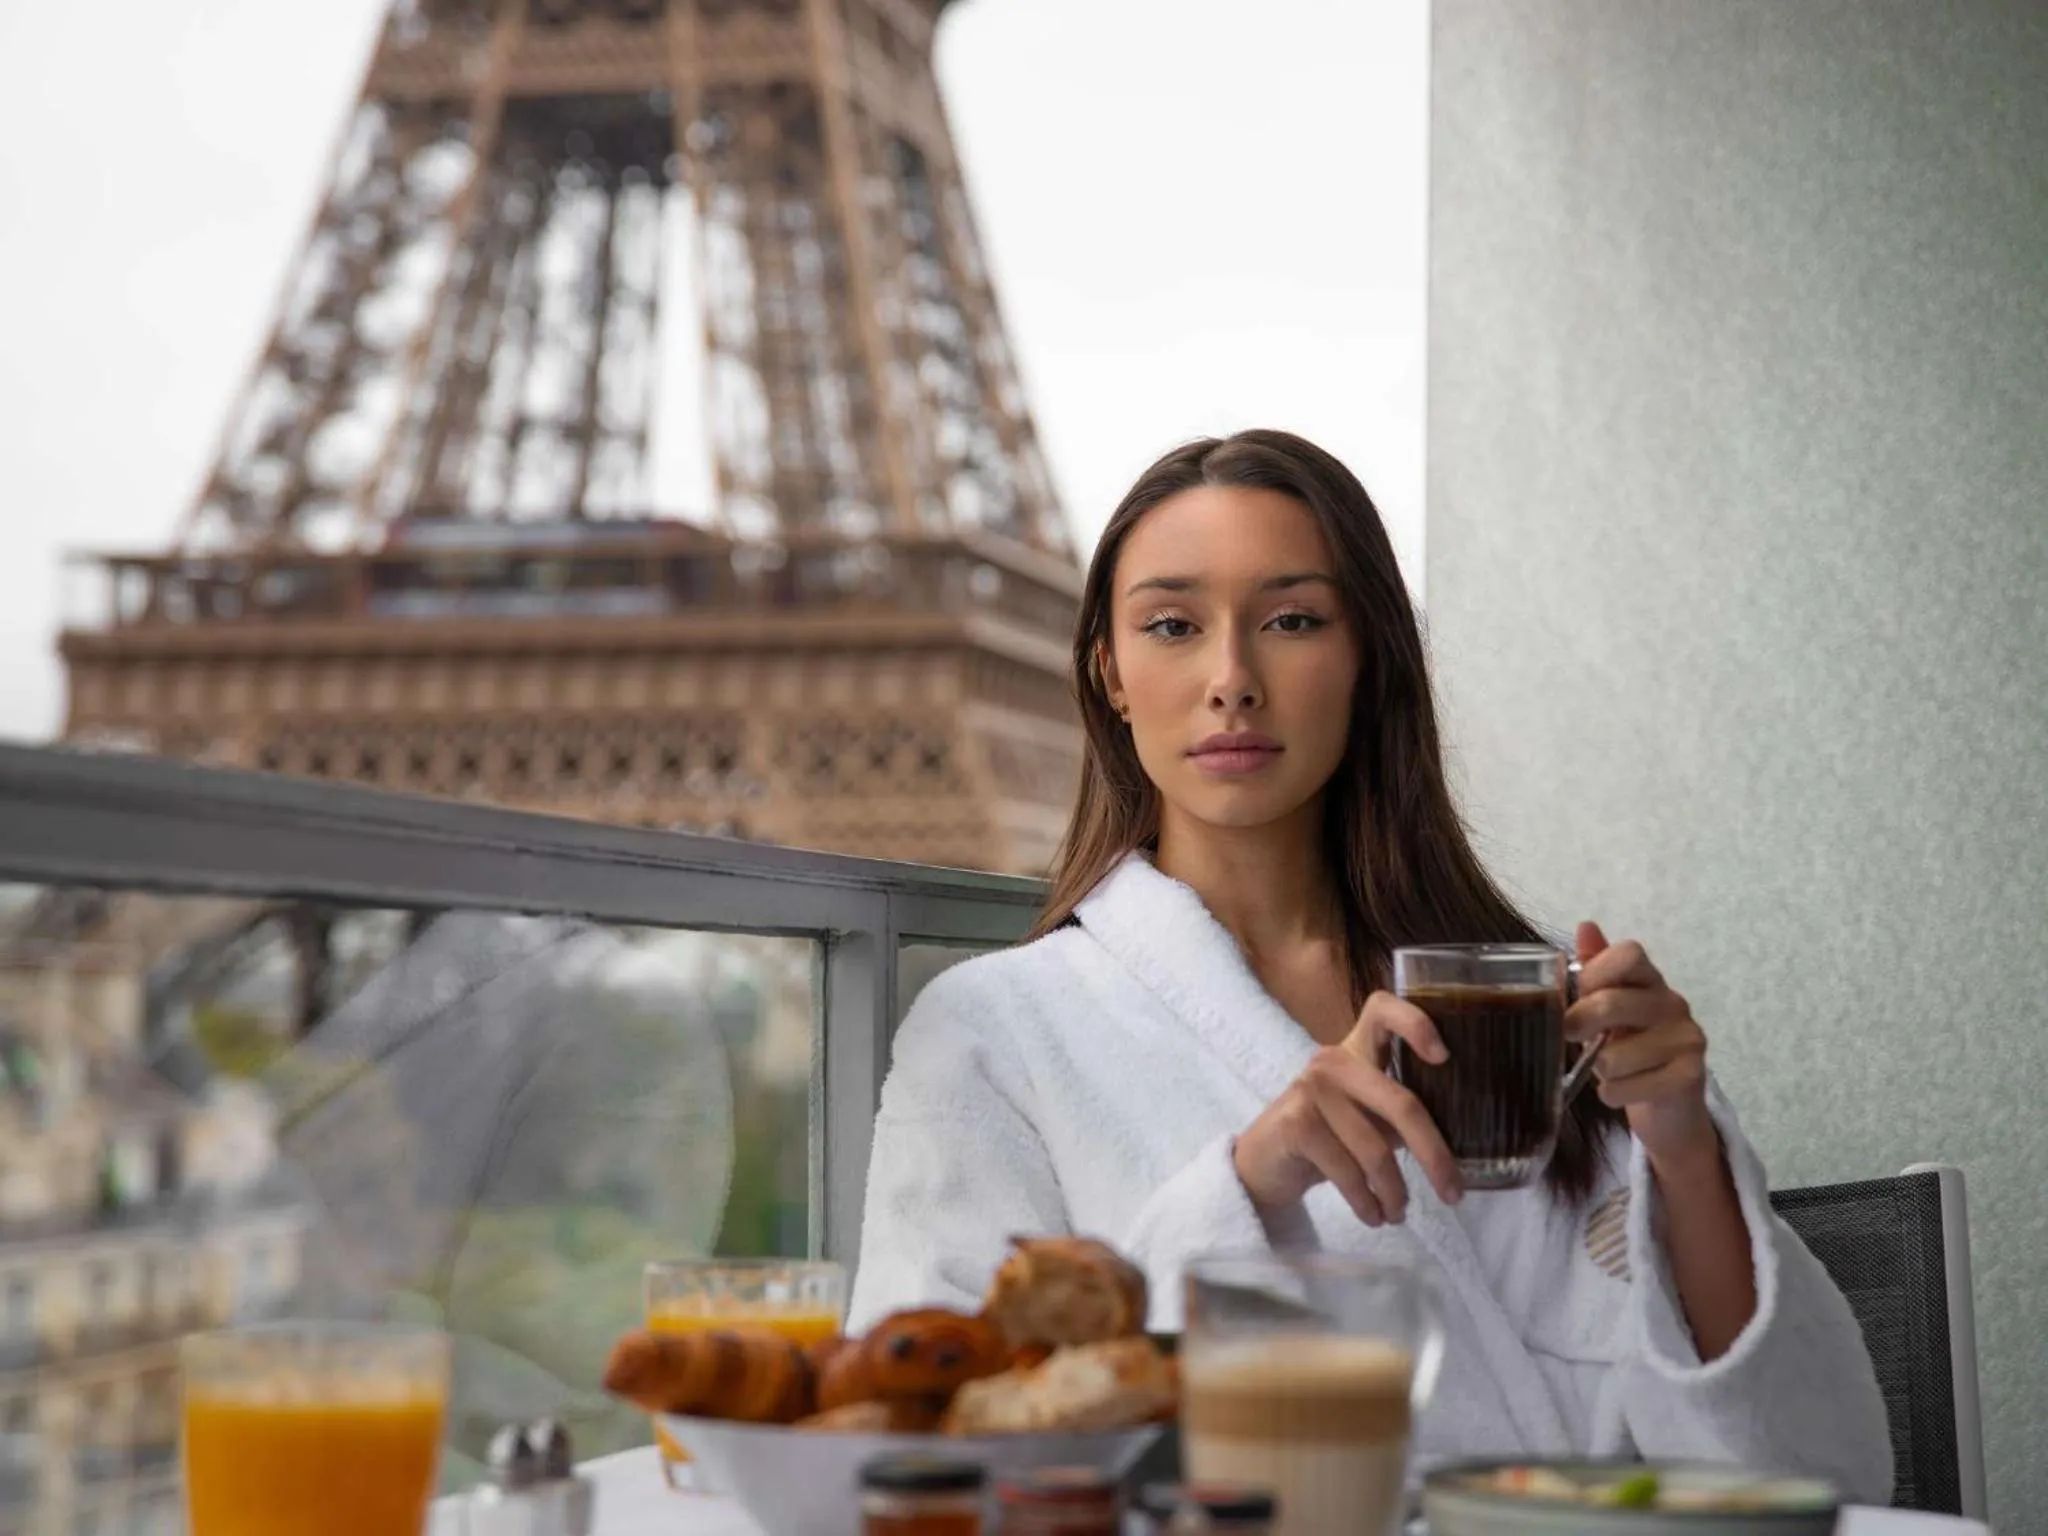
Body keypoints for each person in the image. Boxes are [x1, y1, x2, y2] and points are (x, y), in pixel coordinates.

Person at [848, 430, 1892, 1500]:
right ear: (1110, 674)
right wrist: (1248, 1186)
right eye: (1171, 626)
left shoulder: (1526, 1007)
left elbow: (1808, 1471)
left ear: (1366, 658)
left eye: (1292, 621)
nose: (1231, 680)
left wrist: (1682, 1147)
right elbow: (918, 1449)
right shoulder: (991, 1032)